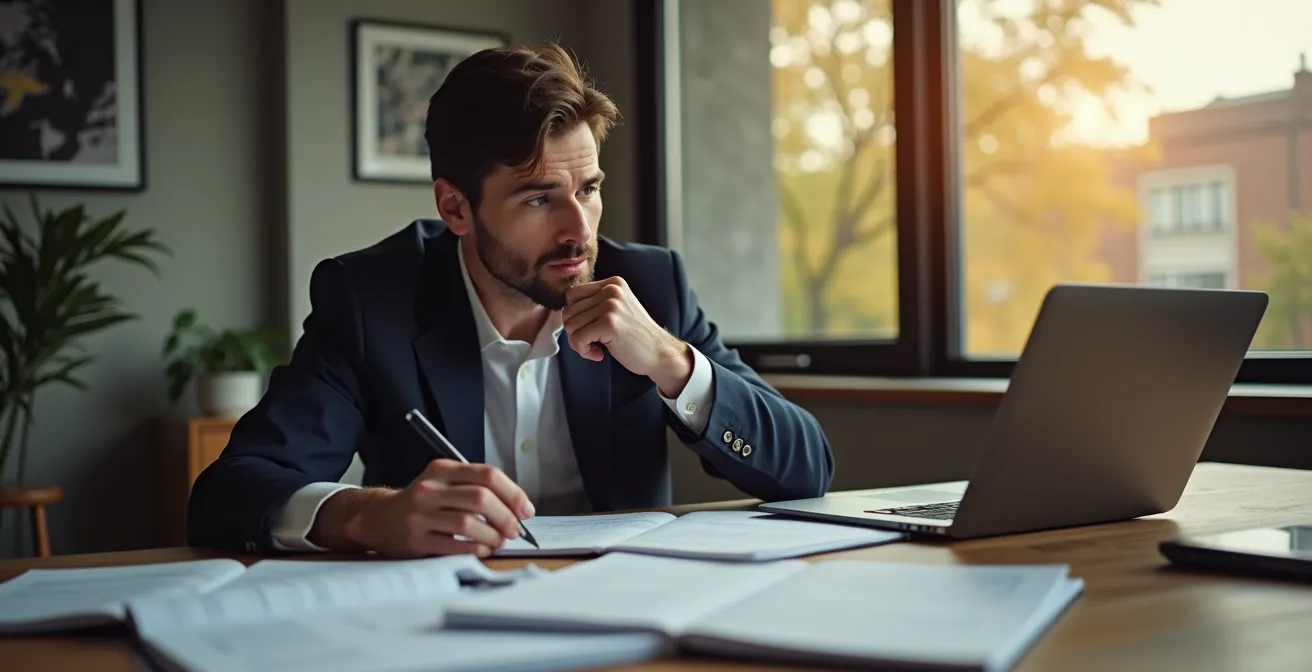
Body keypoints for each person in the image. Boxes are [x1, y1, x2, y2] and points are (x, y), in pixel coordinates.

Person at [186, 42, 834, 558]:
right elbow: (229, 494)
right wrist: (371, 515)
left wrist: (675, 364)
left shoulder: (650, 285)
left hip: (628, 618)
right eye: (538, 197)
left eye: (589, 188)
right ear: (455, 207)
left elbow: (806, 469)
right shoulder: (370, 302)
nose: (580, 229)